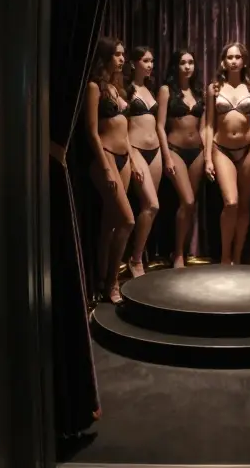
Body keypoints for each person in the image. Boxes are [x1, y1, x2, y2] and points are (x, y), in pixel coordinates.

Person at [205, 42, 250, 266]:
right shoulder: (214, 88)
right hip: (221, 149)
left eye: (238, 57)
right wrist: (207, 158)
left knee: (244, 205)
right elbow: (209, 125)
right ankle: (224, 257)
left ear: (244, 61)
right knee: (231, 202)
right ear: (223, 61)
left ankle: (238, 257)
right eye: (229, 57)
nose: (233, 61)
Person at [84, 37, 134, 304]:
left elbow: (124, 131)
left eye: (123, 54)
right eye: (117, 54)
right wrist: (105, 165)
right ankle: (113, 281)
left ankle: (102, 280)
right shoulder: (94, 88)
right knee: (127, 221)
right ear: (105, 57)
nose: (122, 59)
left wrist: (134, 162)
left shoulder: (118, 88)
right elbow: (92, 132)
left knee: (109, 225)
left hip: (125, 158)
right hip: (107, 158)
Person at [156, 49, 205, 268]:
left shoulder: (198, 91)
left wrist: (208, 155)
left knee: (191, 205)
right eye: (183, 63)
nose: (187, 66)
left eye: (191, 62)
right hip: (175, 150)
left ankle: (183, 252)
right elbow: (160, 126)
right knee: (187, 200)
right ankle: (177, 254)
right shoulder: (166, 90)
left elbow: (204, 127)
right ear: (176, 66)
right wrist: (166, 157)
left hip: (198, 153)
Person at [123, 46, 161, 277]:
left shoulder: (150, 89)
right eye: (146, 60)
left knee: (149, 209)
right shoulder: (127, 90)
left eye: (152, 61)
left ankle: (138, 255)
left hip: (155, 150)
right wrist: (131, 157)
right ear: (135, 63)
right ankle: (134, 259)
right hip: (136, 149)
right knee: (152, 204)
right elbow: (121, 127)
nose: (150, 65)